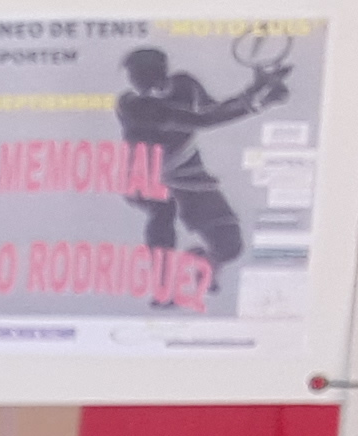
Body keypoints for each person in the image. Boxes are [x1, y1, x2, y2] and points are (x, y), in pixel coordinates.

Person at [112, 38, 292, 303]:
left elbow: (213, 109)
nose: (135, 81)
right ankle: (163, 287)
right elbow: (202, 120)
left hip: (187, 173)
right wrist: (258, 101)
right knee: (163, 211)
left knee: (229, 246)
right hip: (144, 177)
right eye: (133, 76)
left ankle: (203, 264)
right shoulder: (132, 104)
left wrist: (257, 88)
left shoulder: (185, 84)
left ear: (158, 71)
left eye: (139, 74)